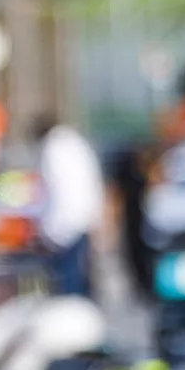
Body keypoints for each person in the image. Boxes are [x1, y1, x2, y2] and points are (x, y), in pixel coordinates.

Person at [33, 113, 105, 297]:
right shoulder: (75, 144)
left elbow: (58, 192)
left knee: (69, 284)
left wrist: (51, 231)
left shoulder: (54, 149)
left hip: (66, 225)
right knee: (82, 279)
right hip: (82, 220)